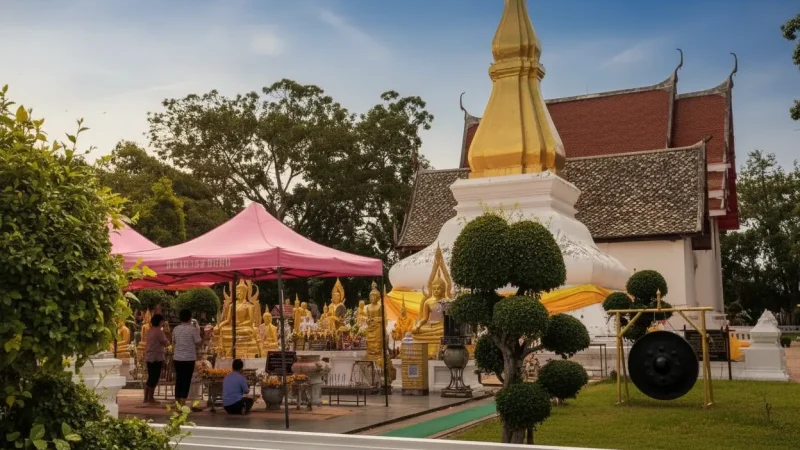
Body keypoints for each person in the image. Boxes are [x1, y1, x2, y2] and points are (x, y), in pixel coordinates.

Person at [173, 309, 202, 410]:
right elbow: (198, 342)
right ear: (190, 318)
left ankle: (177, 402)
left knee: (179, 379)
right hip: (189, 358)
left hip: (177, 357)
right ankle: (182, 402)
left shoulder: (176, 329)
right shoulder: (193, 329)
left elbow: (174, 341)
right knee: (186, 380)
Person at [144, 314, 169, 404]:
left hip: (149, 356)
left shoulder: (149, 331)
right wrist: (168, 340)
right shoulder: (159, 331)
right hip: (156, 357)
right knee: (154, 377)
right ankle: (150, 397)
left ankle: (146, 397)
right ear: (160, 322)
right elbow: (165, 342)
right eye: (162, 322)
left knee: (151, 377)